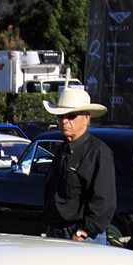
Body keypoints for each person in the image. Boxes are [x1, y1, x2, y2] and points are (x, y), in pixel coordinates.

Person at [42, 87, 115, 242]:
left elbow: (104, 201)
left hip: (81, 236)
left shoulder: (98, 152)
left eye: (71, 116)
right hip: (56, 234)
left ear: (86, 118)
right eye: (61, 116)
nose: (64, 121)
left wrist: (83, 232)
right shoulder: (62, 150)